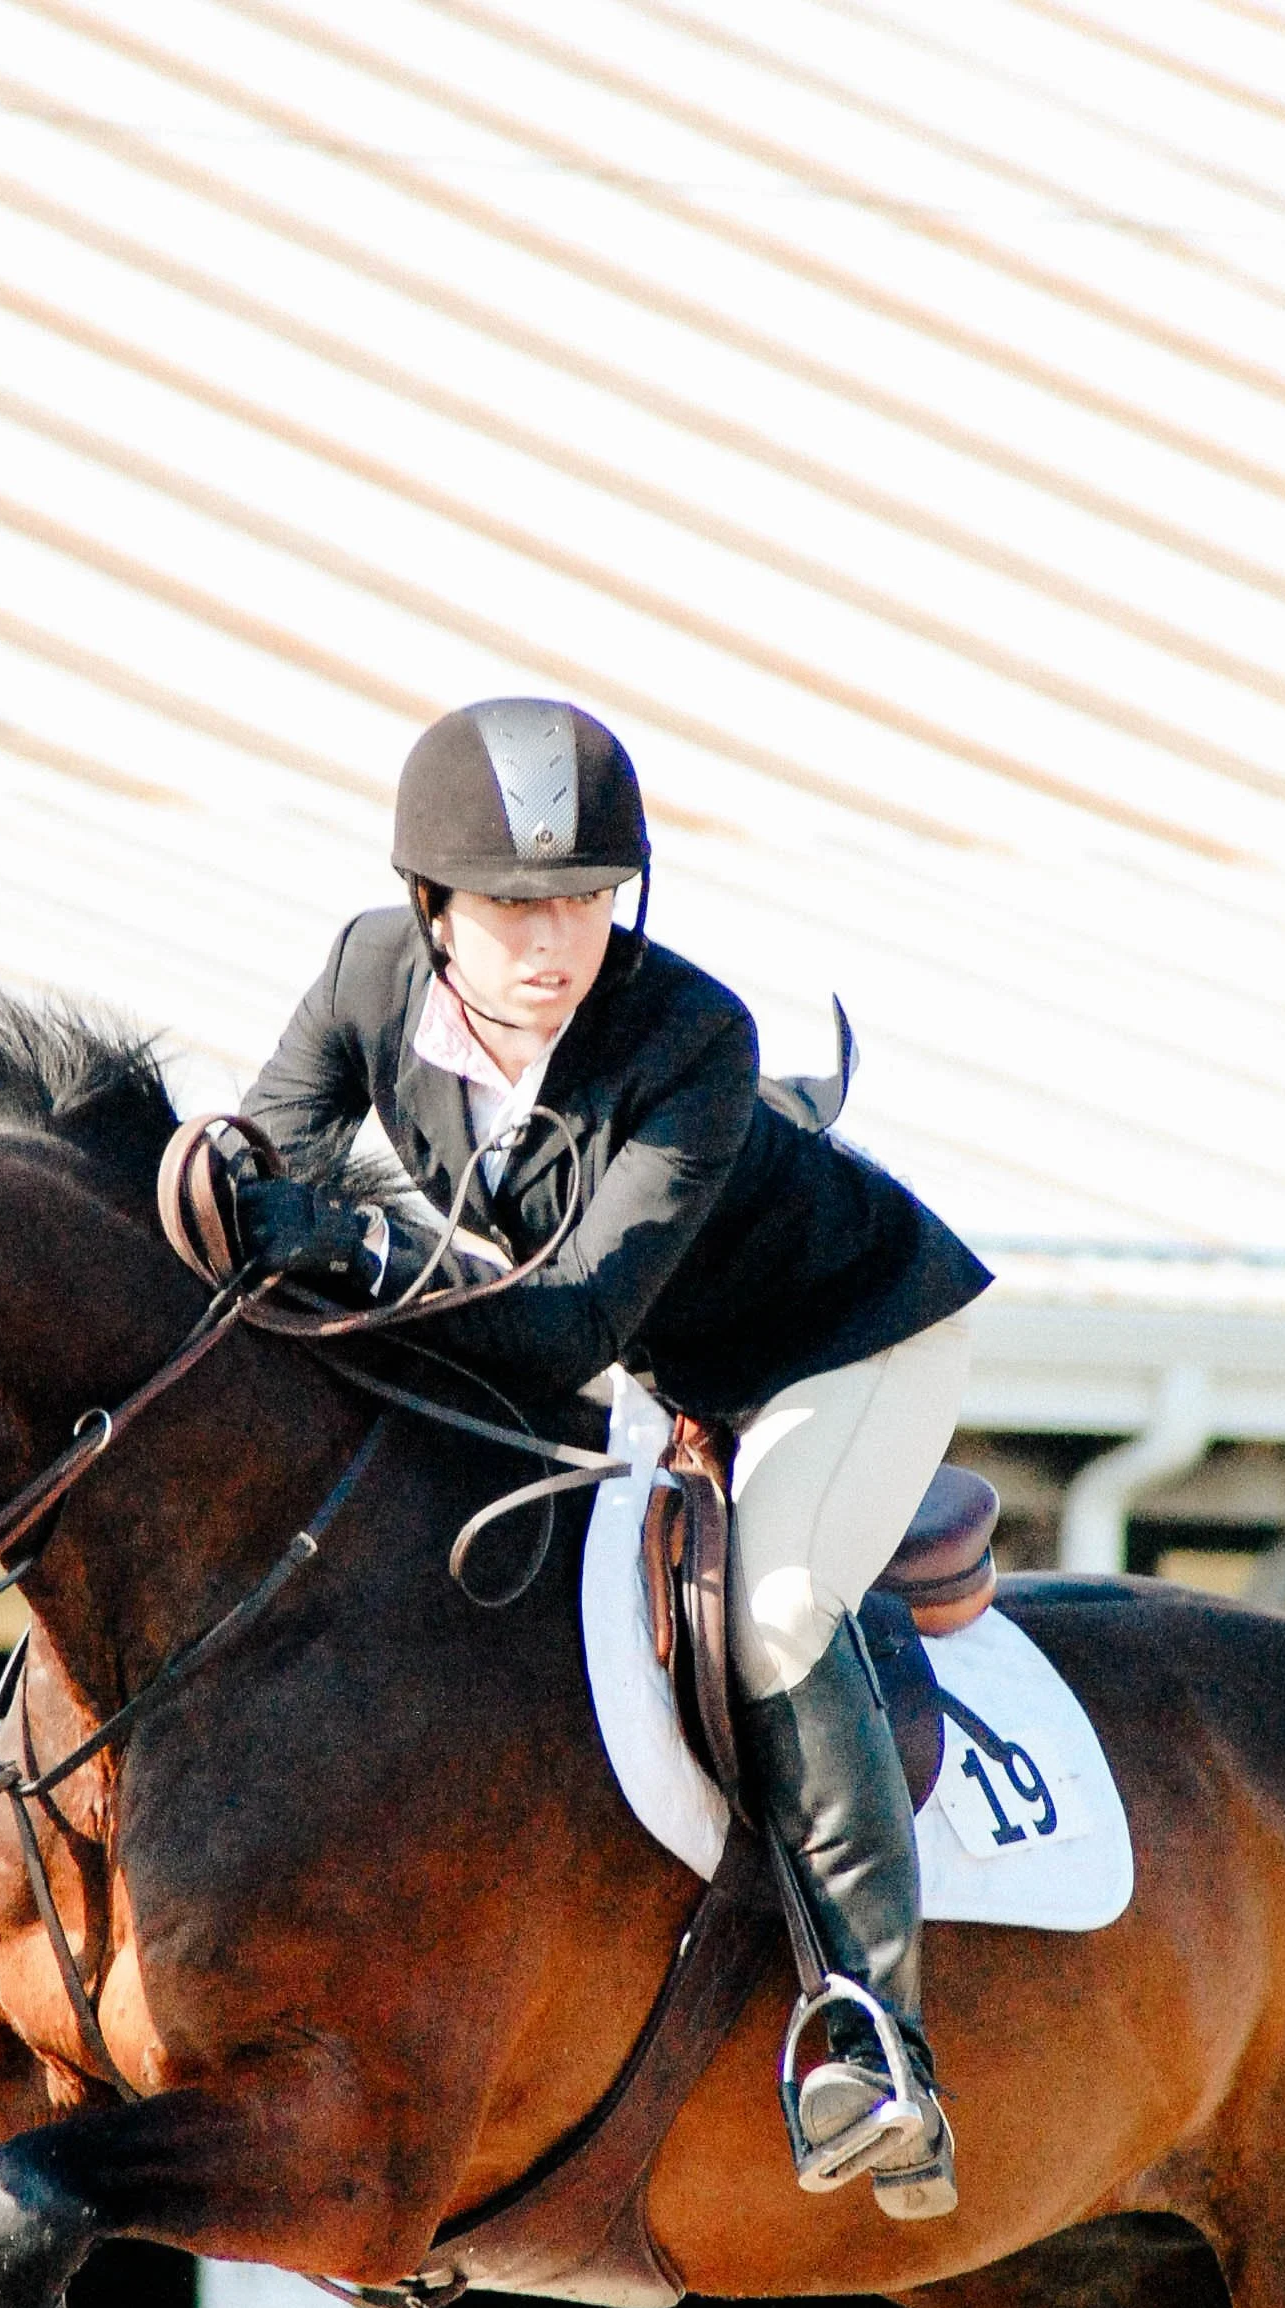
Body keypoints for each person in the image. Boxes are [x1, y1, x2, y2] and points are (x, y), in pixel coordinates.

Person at [237, 698, 991, 2208]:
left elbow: (562, 1328)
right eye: (514, 904)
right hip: (669, 1363)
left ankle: (875, 2042)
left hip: (845, 1344)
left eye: (583, 899)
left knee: (773, 1609)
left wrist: (358, 1245)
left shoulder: (691, 1039)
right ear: (431, 907)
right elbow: (262, 1165)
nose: (551, 940)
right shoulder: (364, 981)